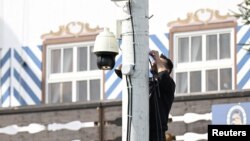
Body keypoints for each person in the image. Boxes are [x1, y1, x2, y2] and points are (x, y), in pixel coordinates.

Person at [115, 50, 175, 141]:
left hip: (156, 131)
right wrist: (133, 57)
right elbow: (119, 70)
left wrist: (157, 58)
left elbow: (163, 75)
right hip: (139, 129)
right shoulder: (147, 82)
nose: (154, 61)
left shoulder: (169, 84)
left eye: (159, 61)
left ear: (168, 70)